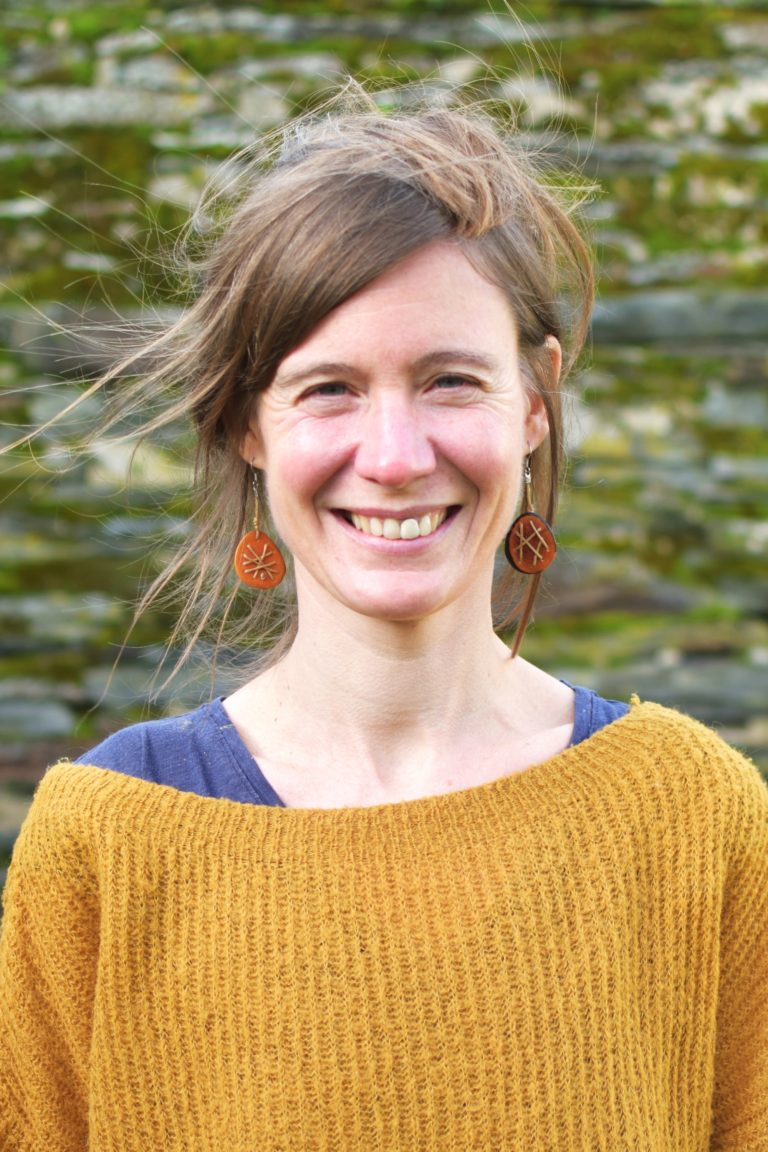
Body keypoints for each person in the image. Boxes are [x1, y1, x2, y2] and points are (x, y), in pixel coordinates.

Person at [1, 91, 766, 1152]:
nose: (397, 456)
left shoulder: (693, 818)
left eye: (451, 380)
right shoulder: (107, 844)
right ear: (246, 422)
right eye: (329, 388)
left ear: (534, 400)